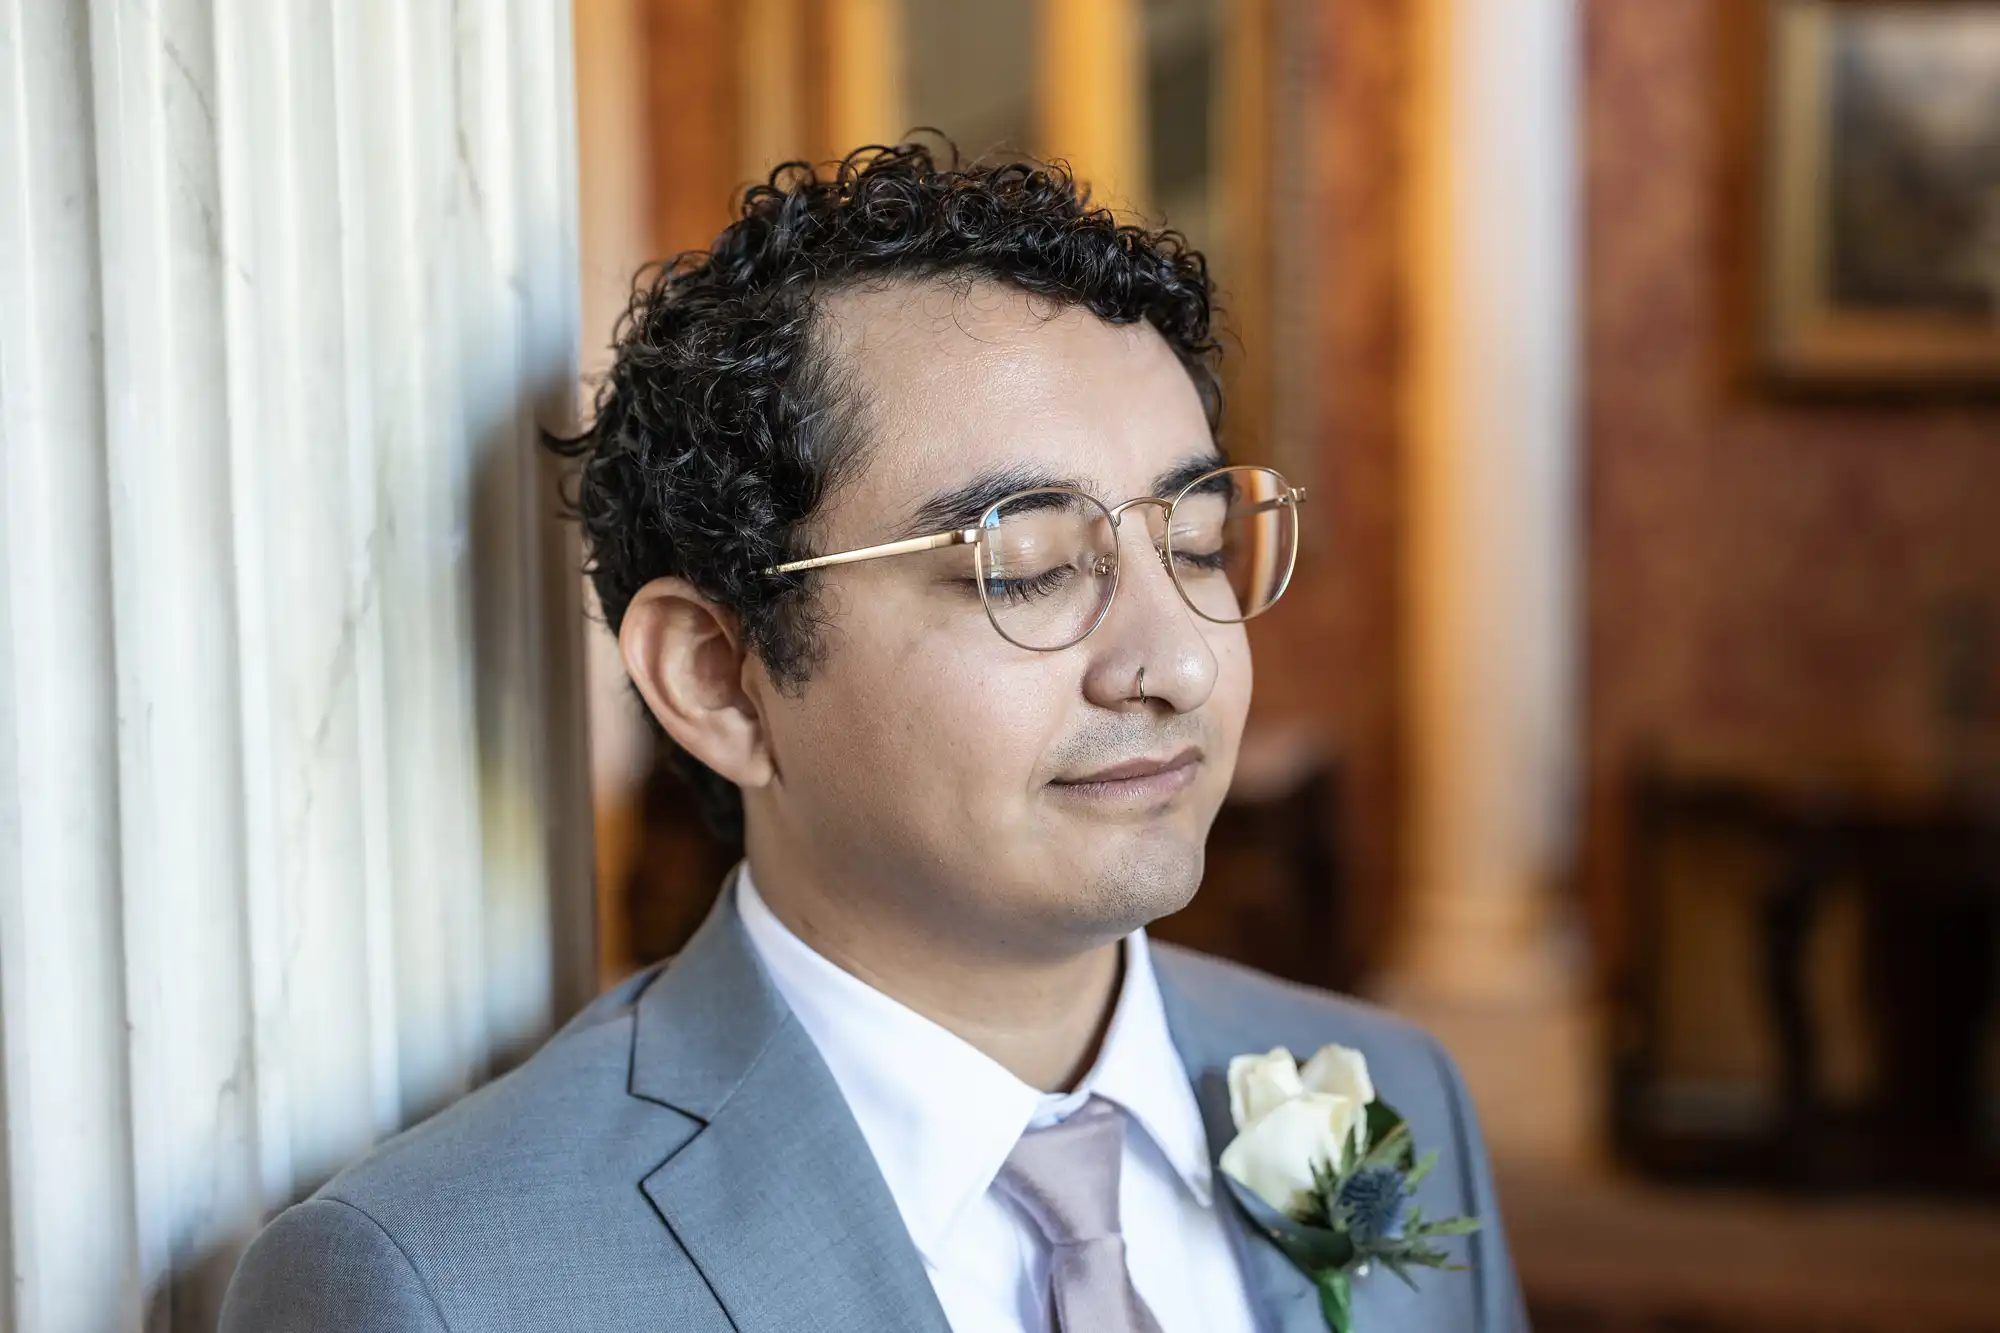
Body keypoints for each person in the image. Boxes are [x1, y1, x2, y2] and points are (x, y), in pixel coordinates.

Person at [221, 143, 1527, 1333]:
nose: (1178, 660)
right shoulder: (438, 1283)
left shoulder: (1391, 1093)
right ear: (721, 679)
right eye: (1024, 566)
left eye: (1192, 542)